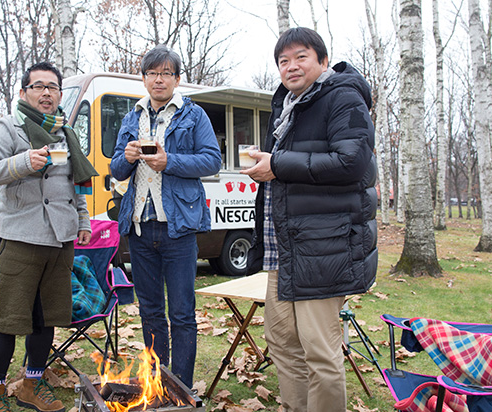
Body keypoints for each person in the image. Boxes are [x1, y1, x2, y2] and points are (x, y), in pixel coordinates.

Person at [241, 27, 378, 412]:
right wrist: (266, 166)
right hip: (282, 246)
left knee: (320, 351)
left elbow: (352, 163)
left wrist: (278, 165)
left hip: (324, 245)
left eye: (301, 57)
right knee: (282, 342)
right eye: (283, 61)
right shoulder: (286, 104)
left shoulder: (343, 97)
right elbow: (288, 172)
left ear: (322, 60)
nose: (291, 66)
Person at [0, 61, 98, 412]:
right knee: (8, 320)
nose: (46, 93)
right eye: (38, 86)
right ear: (23, 92)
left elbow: (73, 185)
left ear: (60, 94)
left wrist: (83, 220)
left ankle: (31, 384)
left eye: (52, 87)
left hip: (61, 241)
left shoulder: (66, 132)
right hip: (21, 239)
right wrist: (23, 162)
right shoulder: (9, 127)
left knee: (46, 319)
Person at [110, 45, 221, 388]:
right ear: (143, 78)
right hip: (140, 229)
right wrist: (127, 158)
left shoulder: (193, 115)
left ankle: (181, 387)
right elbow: (115, 168)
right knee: (150, 311)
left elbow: (211, 161)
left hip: (179, 229)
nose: (159, 80)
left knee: (182, 313)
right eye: (153, 73)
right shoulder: (132, 117)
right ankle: (156, 382)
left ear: (177, 79)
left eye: (166, 74)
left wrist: (168, 161)